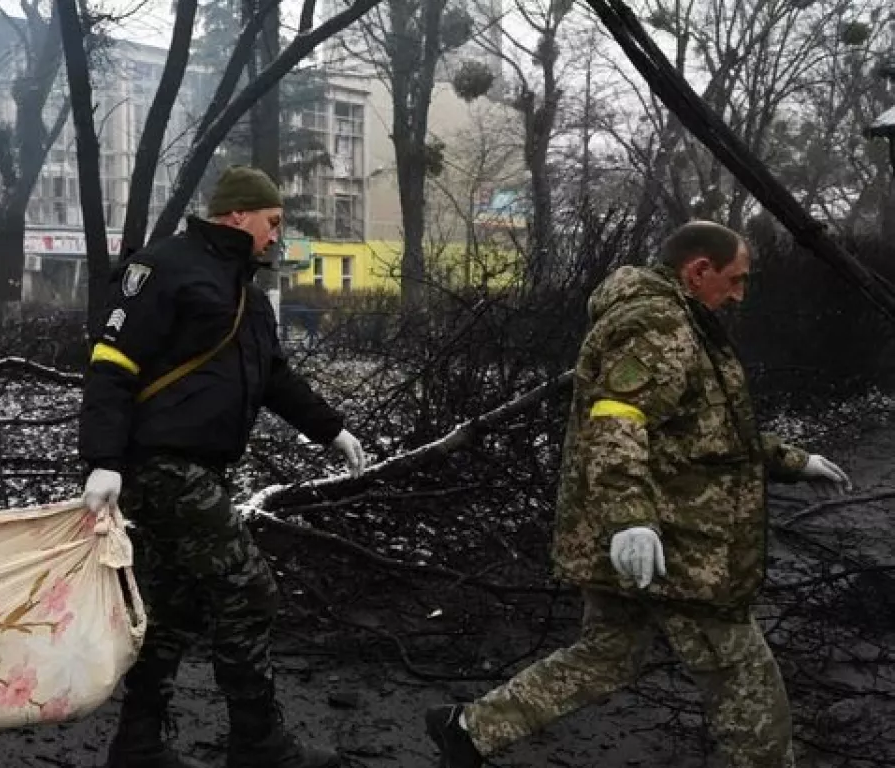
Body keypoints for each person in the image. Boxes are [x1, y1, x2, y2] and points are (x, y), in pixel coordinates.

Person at [424, 220, 852, 768]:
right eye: (736, 279)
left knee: (607, 653)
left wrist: (794, 461)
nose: (740, 293)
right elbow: (617, 421)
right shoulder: (657, 324)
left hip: (646, 537)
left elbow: (704, 431)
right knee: (745, 682)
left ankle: (469, 730)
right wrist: (631, 519)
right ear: (698, 271)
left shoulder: (680, 321)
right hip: (676, 543)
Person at [80, 166, 366, 768]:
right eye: (272, 223)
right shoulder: (162, 269)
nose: (276, 236)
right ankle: (259, 745)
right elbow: (111, 363)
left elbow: (276, 379)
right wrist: (104, 461)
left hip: (202, 472)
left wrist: (330, 428)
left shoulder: (249, 297)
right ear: (238, 214)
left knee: (176, 605)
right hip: (160, 467)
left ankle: (137, 745)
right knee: (249, 590)